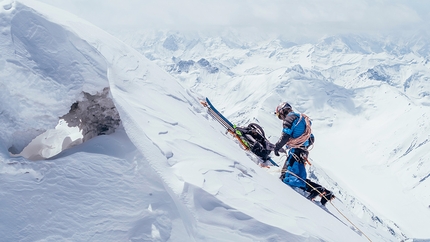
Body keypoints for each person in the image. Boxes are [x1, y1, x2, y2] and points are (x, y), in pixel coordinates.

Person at [273, 102, 314, 189]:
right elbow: (311, 137)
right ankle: (313, 189)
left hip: (296, 151)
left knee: (286, 176)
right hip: (303, 151)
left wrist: (277, 147)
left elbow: (285, 136)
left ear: (282, 111)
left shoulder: (290, 118)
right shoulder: (302, 118)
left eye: (279, 116)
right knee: (296, 175)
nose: (281, 118)